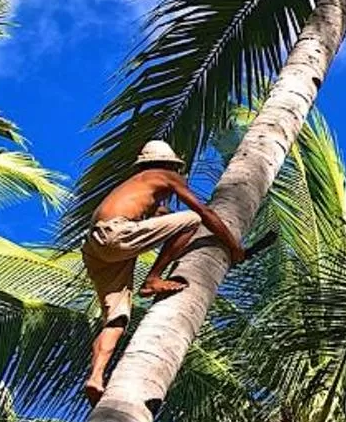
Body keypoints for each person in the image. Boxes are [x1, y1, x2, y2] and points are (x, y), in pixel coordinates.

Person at [80, 140, 248, 401]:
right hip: (116, 234)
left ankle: (96, 376)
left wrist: (162, 213)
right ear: (170, 166)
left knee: (117, 317)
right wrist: (234, 246)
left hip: (95, 247)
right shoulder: (166, 175)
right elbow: (203, 212)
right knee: (192, 220)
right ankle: (153, 278)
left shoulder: (136, 186)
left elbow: (159, 215)